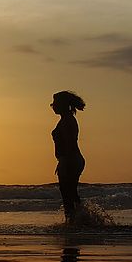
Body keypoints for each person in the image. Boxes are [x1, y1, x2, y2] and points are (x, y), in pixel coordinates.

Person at [50, 90, 86, 223]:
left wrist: (63, 162)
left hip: (70, 159)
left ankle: (73, 222)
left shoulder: (67, 121)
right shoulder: (67, 119)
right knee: (71, 192)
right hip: (72, 159)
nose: (52, 106)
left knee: (67, 194)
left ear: (62, 104)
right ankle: (79, 220)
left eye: (54, 103)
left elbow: (69, 143)